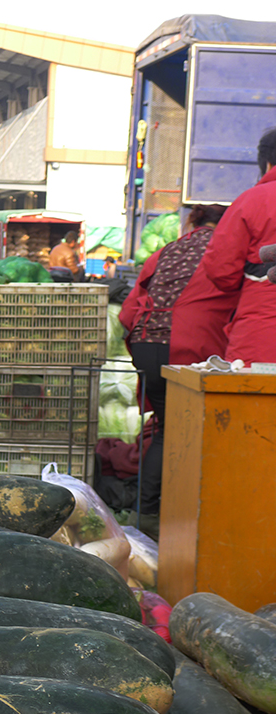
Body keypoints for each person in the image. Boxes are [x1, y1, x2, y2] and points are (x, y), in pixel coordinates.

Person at [118, 203, 236, 538]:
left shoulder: (166, 251)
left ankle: (149, 512)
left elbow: (128, 311)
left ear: (193, 223)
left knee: (166, 429)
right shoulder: (226, 251)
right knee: (192, 432)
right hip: (190, 346)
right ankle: (168, 514)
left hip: (146, 343)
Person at [201, 127, 276, 365]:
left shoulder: (253, 200)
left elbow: (221, 268)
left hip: (263, 328)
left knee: (256, 386)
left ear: (267, 163)